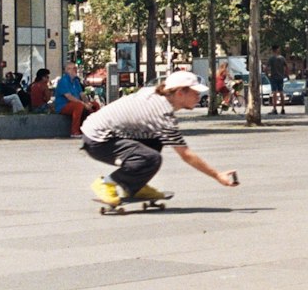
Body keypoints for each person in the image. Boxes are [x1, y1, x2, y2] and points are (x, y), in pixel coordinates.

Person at [84, 68, 239, 205]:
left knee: (156, 141)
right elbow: (186, 154)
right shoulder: (162, 112)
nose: (198, 97)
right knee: (151, 158)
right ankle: (106, 183)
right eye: (195, 93)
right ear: (179, 93)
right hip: (98, 139)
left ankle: (135, 186)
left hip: (104, 131)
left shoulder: (156, 95)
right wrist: (217, 175)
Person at [55, 61, 97, 137]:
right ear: (68, 70)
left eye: (76, 68)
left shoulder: (76, 81)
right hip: (63, 105)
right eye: (74, 68)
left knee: (95, 105)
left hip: (77, 103)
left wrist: (87, 102)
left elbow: (82, 94)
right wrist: (83, 104)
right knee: (78, 106)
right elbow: (69, 97)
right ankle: (74, 132)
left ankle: (94, 129)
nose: (76, 70)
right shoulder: (63, 81)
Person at [265, 49, 288, 116]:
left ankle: (274, 109)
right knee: (281, 92)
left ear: (273, 51)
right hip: (281, 77)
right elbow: (286, 67)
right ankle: (283, 109)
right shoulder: (282, 58)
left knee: (274, 93)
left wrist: (267, 74)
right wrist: (286, 74)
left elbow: (266, 68)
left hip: (274, 77)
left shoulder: (271, 58)